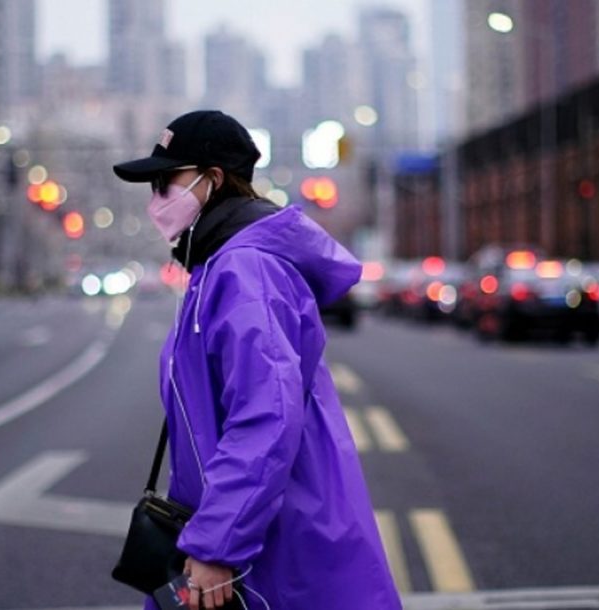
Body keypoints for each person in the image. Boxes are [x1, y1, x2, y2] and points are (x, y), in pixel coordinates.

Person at [113, 110, 403, 610]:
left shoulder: (246, 270)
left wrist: (216, 545)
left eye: (166, 181)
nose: (156, 197)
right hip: (254, 533)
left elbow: (265, 417)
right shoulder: (217, 265)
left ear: (213, 179)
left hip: (276, 545)